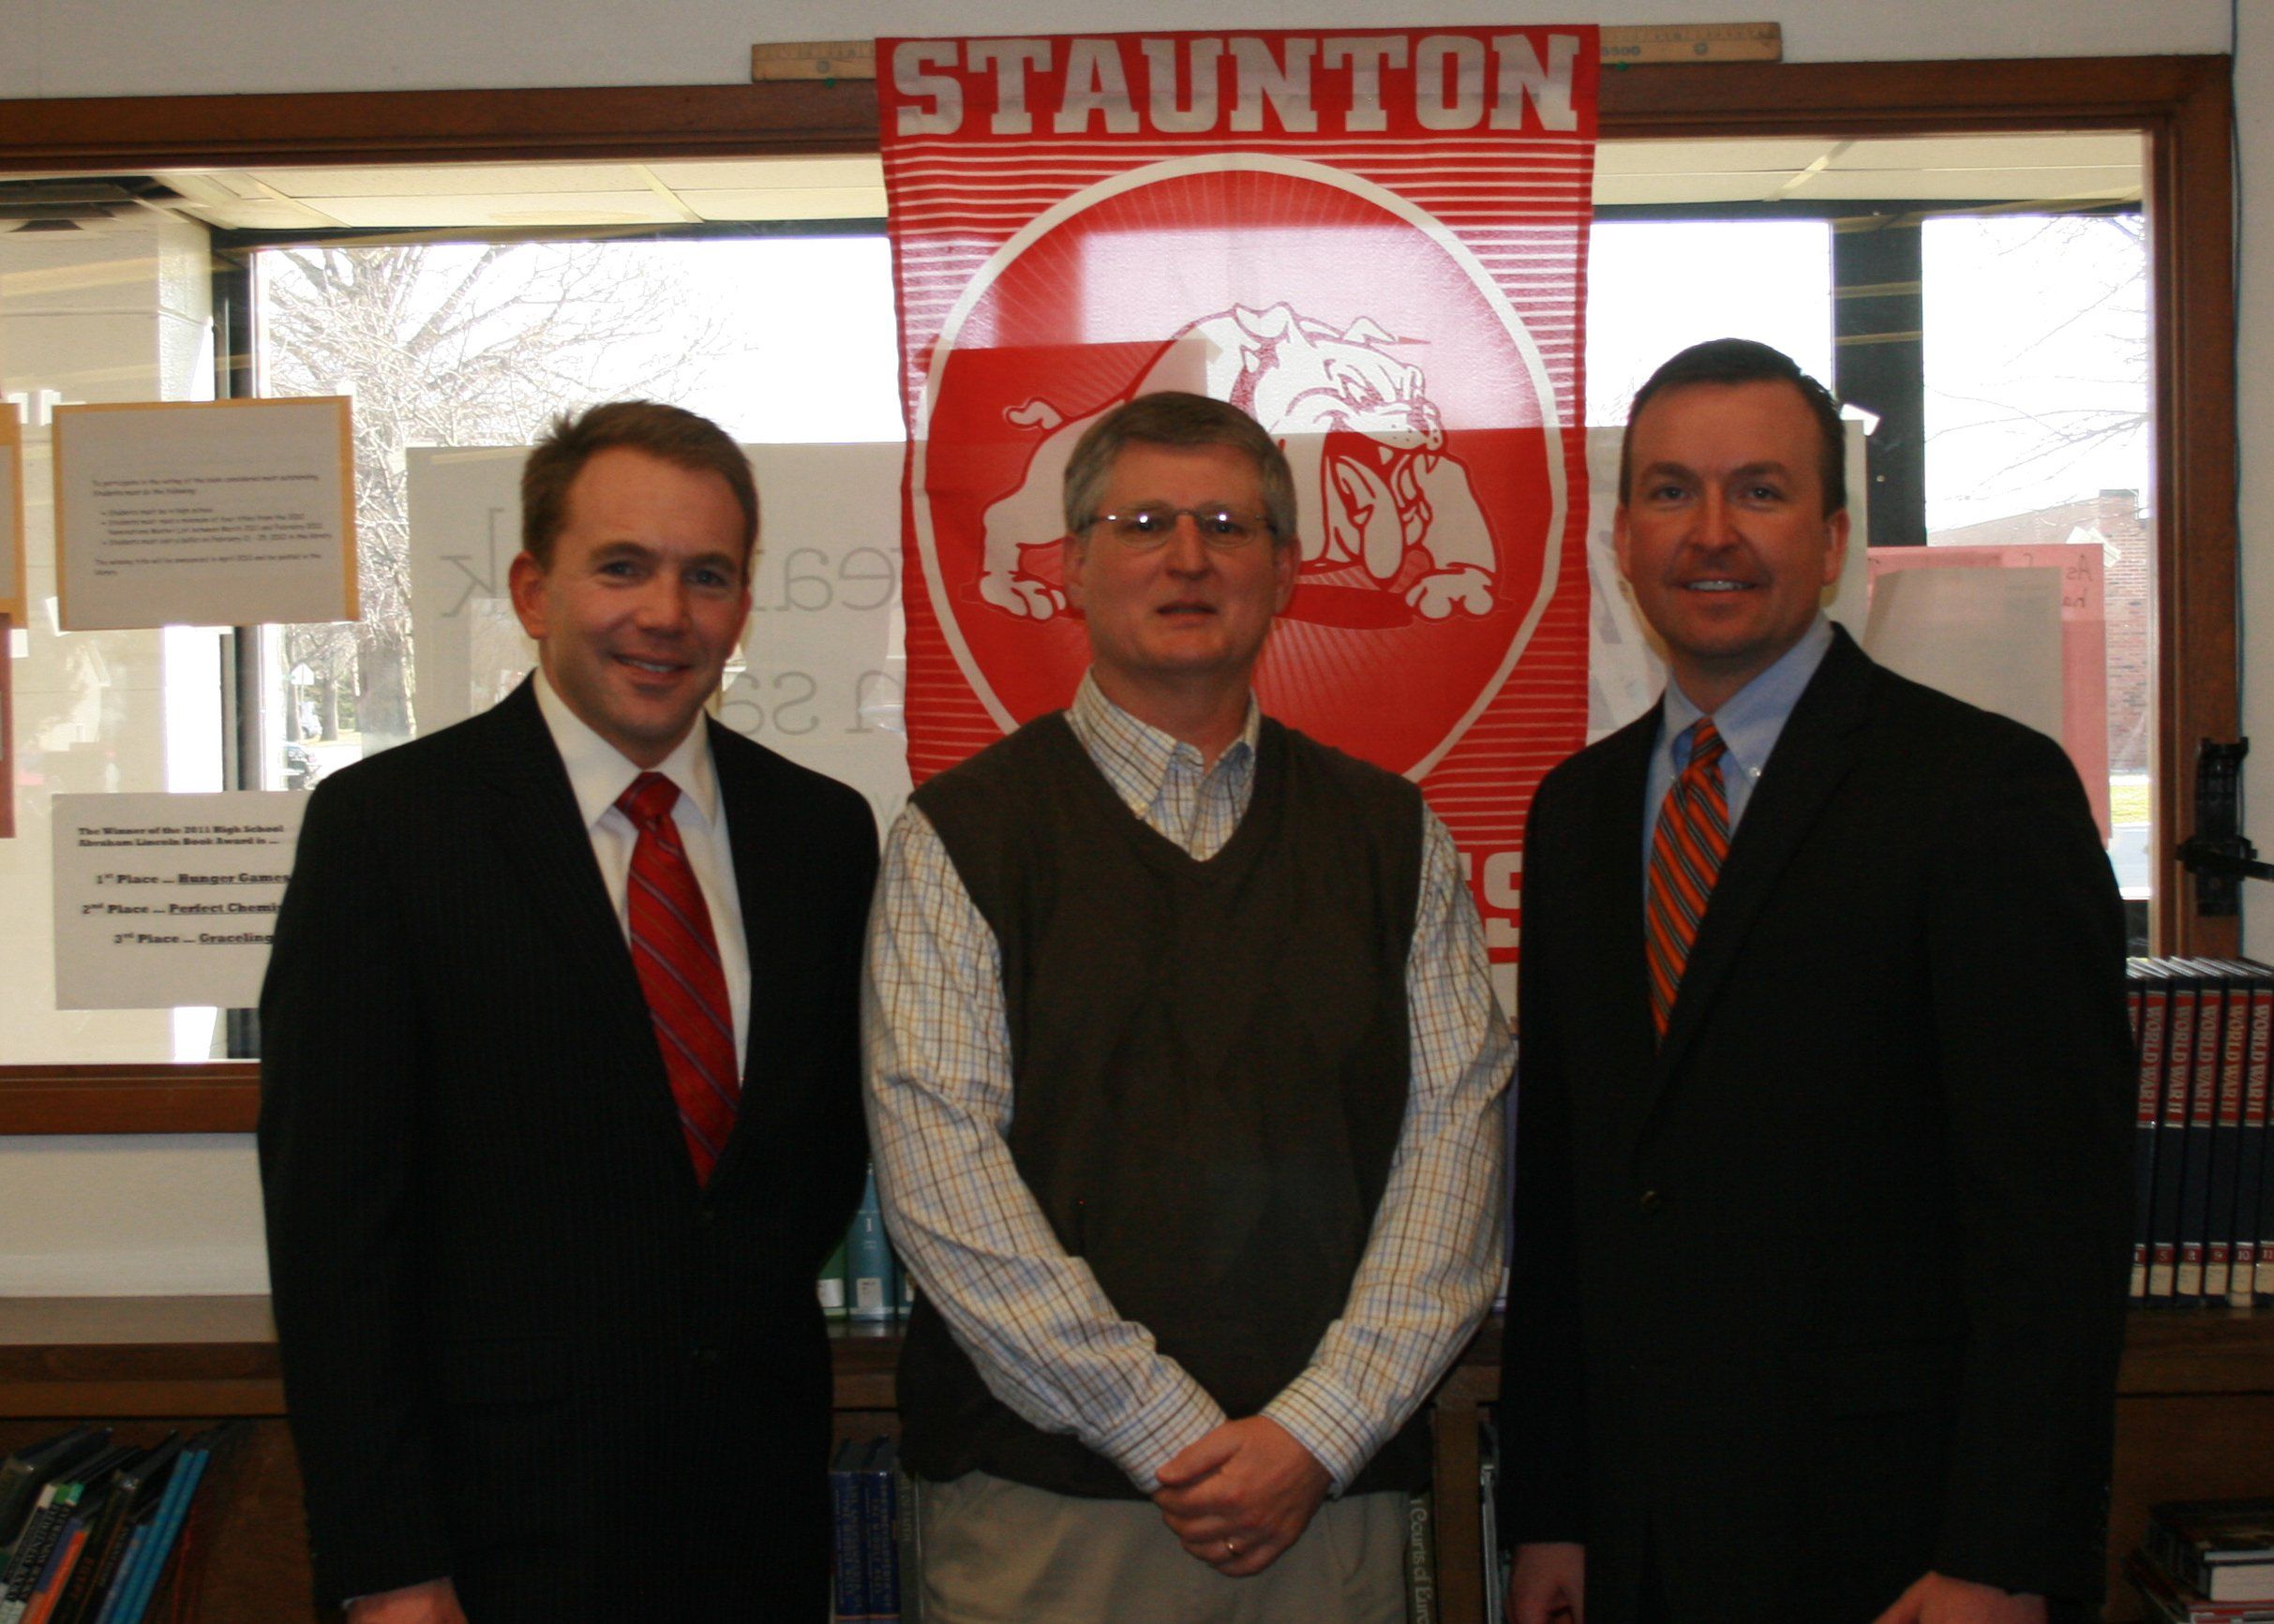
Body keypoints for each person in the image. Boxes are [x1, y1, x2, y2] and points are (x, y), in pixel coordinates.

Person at [1494, 338, 2132, 1624]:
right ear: (1621, 541)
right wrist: (1551, 1508)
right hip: (1637, 1539)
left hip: (1895, 1547)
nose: (1711, 533)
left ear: (1832, 538)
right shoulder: (1576, 814)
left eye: (1761, 491)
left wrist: (1998, 1553)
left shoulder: (1982, 794)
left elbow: (2054, 1224)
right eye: (1670, 492)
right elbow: (1567, 1193)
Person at [865, 390, 1511, 1622]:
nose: (1187, 556)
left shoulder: (1392, 837)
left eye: (1226, 524)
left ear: (1286, 570)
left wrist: (1314, 1431)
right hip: (1044, 1519)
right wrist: (1172, 1434)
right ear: (1070, 566)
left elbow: (1453, 1156)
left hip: (1326, 1512)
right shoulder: (961, 836)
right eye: (1143, 522)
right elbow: (943, 1178)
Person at [259, 401, 877, 1622]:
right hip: (491, 1545)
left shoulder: (819, 834)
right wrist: (389, 1565)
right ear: (533, 589)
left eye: (707, 575)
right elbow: (335, 1235)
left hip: (754, 1528)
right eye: (621, 567)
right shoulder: (390, 832)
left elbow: (807, 1171)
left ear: (743, 605)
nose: (666, 613)